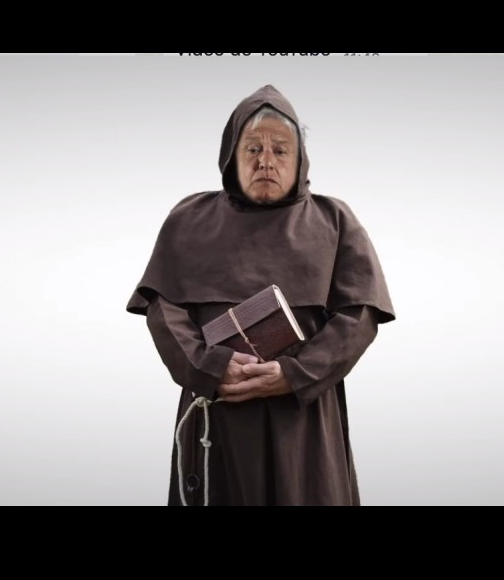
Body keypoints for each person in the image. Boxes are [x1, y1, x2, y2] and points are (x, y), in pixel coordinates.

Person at [126, 85, 395, 506]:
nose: (265, 161)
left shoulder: (335, 219)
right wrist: (210, 367)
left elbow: (359, 316)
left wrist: (296, 374)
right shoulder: (189, 218)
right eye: (252, 148)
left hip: (303, 419)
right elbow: (163, 309)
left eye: (280, 150)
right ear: (231, 157)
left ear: (300, 159)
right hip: (219, 411)